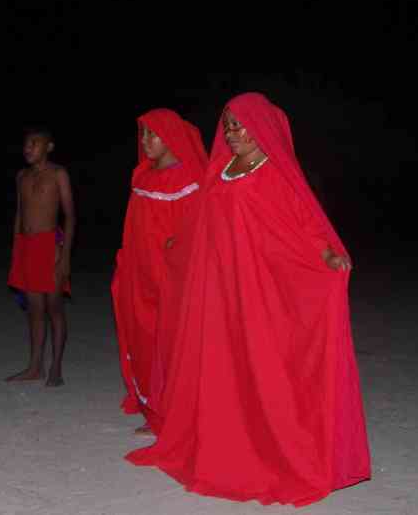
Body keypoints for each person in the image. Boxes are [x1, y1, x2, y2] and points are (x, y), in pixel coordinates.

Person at [126, 92, 371, 506]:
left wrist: (326, 253)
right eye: (227, 125)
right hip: (220, 289)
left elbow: (303, 223)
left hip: (259, 288)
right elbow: (202, 222)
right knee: (224, 363)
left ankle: (270, 450)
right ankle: (222, 443)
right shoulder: (220, 170)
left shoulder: (273, 172)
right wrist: (178, 247)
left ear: (262, 128)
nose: (232, 133)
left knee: (262, 365)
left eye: (239, 125)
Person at [112, 109, 207, 435]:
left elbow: (196, 234)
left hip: (173, 280)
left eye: (153, 134)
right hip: (141, 276)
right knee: (145, 338)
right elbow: (133, 229)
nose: (145, 141)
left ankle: (177, 413)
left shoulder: (191, 180)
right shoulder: (142, 176)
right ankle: (154, 407)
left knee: (175, 342)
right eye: (142, 134)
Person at [6, 126, 75, 387]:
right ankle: (35, 367)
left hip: (50, 245)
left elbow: (69, 215)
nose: (28, 148)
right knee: (34, 311)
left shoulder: (59, 174)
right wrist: (17, 249)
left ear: (49, 147)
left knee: (53, 308)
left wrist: (65, 255)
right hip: (27, 245)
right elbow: (19, 214)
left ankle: (55, 366)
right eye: (26, 144)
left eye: (35, 143)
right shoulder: (21, 176)